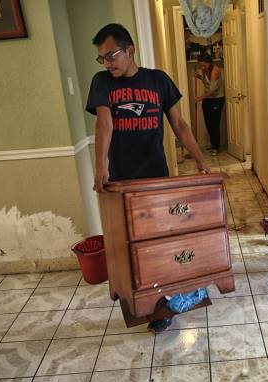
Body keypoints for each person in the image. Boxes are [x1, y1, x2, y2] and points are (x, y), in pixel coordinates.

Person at [86, 23, 210, 332]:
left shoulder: (158, 81)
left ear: (130, 50)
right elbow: (104, 124)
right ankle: (144, 300)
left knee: (160, 248)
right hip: (122, 183)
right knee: (130, 249)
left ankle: (165, 307)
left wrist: (200, 160)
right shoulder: (102, 82)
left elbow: (179, 125)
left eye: (111, 55)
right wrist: (101, 167)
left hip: (157, 178)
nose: (107, 63)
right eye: (101, 58)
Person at [194, 52, 225, 155]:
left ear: (209, 63)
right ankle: (212, 144)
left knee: (214, 124)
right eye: (201, 65)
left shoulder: (215, 71)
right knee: (208, 123)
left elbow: (212, 90)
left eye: (204, 65)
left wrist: (199, 98)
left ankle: (216, 147)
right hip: (208, 100)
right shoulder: (205, 70)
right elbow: (205, 81)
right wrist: (198, 76)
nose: (202, 67)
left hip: (216, 99)